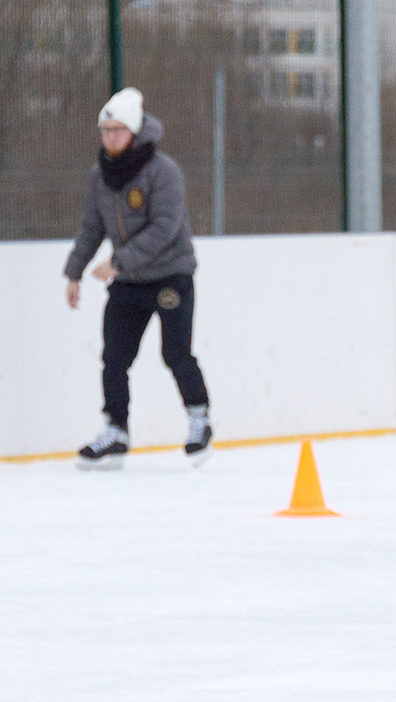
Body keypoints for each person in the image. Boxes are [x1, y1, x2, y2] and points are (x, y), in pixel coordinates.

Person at [64, 87, 212, 469]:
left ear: (134, 131)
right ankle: (116, 431)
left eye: (117, 130)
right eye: (105, 130)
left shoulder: (164, 172)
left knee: (175, 353)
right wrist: (74, 271)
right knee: (114, 357)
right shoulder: (101, 175)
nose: (110, 137)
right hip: (128, 283)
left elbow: (165, 227)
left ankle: (199, 419)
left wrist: (118, 261)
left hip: (169, 278)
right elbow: (91, 227)